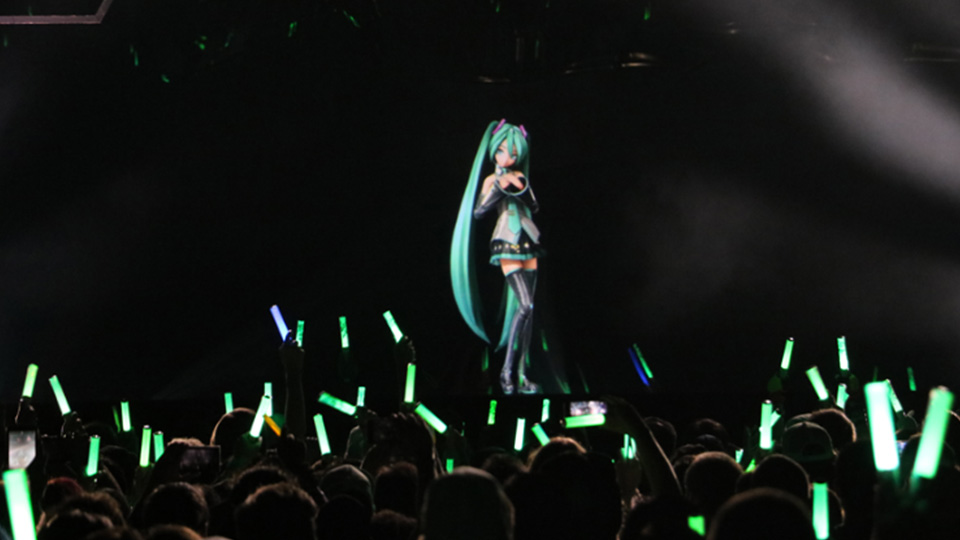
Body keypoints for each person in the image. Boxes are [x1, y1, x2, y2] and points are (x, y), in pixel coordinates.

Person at [451, 119, 543, 394]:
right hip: (506, 239)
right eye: (503, 151)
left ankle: (521, 375)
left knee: (529, 311)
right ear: (493, 150)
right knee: (525, 305)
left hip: (529, 238)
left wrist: (521, 188)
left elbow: (534, 206)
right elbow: (479, 212)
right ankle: (505, 373)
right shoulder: (491, 180)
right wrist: (499, 189)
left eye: (514, 153)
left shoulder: (520, 175)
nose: (508, 158)